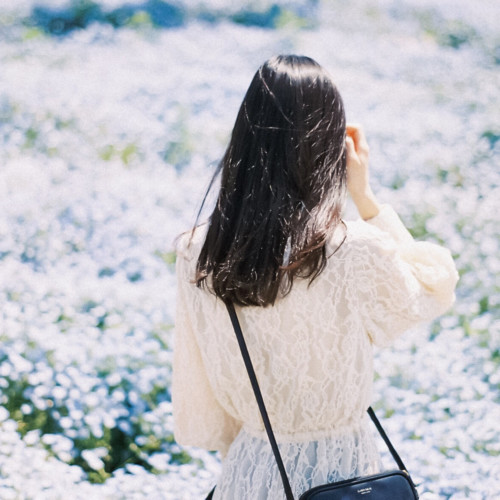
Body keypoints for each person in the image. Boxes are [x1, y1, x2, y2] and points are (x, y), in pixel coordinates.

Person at [172, 55, 458, 499]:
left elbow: (202, 400)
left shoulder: (198, 251)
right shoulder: (353, 248)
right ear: (329, 144)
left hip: (253, 470)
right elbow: (434, 285)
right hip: (345, 478)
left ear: (246, 138)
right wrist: (366, 197)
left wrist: (254, 447)